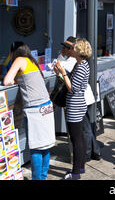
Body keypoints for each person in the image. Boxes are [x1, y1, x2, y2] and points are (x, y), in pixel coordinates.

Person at [4, 43, 56, 180]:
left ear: (14, 51)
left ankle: (37, 179)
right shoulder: (31, 60)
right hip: (46, 107)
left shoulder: (19, 59)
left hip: (35, 109)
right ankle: (42, 177)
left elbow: (6, 80)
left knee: (36, 148)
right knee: (45, 146)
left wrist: (15, 79)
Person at [55, 36, 101, 162]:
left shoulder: (78, 64)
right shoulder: (76, 62)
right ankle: (90, 153)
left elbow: (72, 87)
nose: (68, 49)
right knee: (81, 132)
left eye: (70, 47)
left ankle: (85, 156)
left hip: (78, 102)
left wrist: (62, 73)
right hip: (78, 101)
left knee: (82, 132)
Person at [54, 38, 91, 180]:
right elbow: (71, 84)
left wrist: (63, 73)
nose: (71, 49)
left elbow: (72, 89)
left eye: (74, 47)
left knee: (76, 140)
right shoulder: (81, 64)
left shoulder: (81, 66)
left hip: (75, 106)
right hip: (77, 105)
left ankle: (75, 173)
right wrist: (60, 74)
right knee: (79, 138)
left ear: (79, 50)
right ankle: (80, 167)